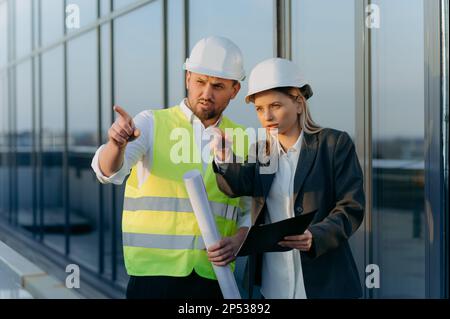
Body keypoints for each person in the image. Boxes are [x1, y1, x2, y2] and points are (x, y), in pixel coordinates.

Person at [91, 36, 251, 299]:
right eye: (200, 81)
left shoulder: (243, 139)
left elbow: (249, 211)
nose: (206, 93)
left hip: (213, 278)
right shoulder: (152, 123)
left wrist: (238, 241)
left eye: (218, 86)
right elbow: (106, 172)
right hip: (152, 277)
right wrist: (116, 144)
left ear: (234, 90)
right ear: (188, 77)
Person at [211, 57, 365, 299]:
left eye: (275, 105)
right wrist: (223, 157)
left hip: (323, 281)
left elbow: (351, 207)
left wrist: (316, 235)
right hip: (274, 282)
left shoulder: (333, 144)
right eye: (259, 109)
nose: (267, 116)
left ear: (299, 103)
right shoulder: (262, 151)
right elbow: (237, 186)